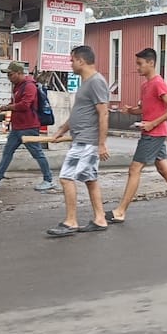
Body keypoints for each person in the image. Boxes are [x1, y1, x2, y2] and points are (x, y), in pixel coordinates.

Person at [107, 48, 167, 222]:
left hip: (154, 133)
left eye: (140, 64)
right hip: (152, 132)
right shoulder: (146, 85)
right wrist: (131, 111)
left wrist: (153, 123)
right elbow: (146, 109)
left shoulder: (157, 82)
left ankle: (120, 211)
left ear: (151, 63)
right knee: (163, 168)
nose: (137, 68)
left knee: (134, 169)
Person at [45, 46, 111, 237]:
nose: (71, 64)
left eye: (72, 60)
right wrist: (61, 130)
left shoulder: (96, 82)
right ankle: (100, 218)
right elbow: (78, 113)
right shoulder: (86, 83)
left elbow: (103, 113)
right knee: (90, 180)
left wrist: (101, 144)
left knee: (66, 178)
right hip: (82, 139)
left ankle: (71, 221)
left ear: (81, 61)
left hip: (87, 142)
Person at [0, 62, 56, 191]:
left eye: (11, 74)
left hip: (29, 126)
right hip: (18, 126)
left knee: (37, 154)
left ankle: (48, 180)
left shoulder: (29, 86)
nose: (9, 77)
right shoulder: (18, 86)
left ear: (19, 73)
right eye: (8, 75)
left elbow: (24, 105)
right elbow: (16, 103)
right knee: (7, 152)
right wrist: (3, 108)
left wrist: (5, 107)